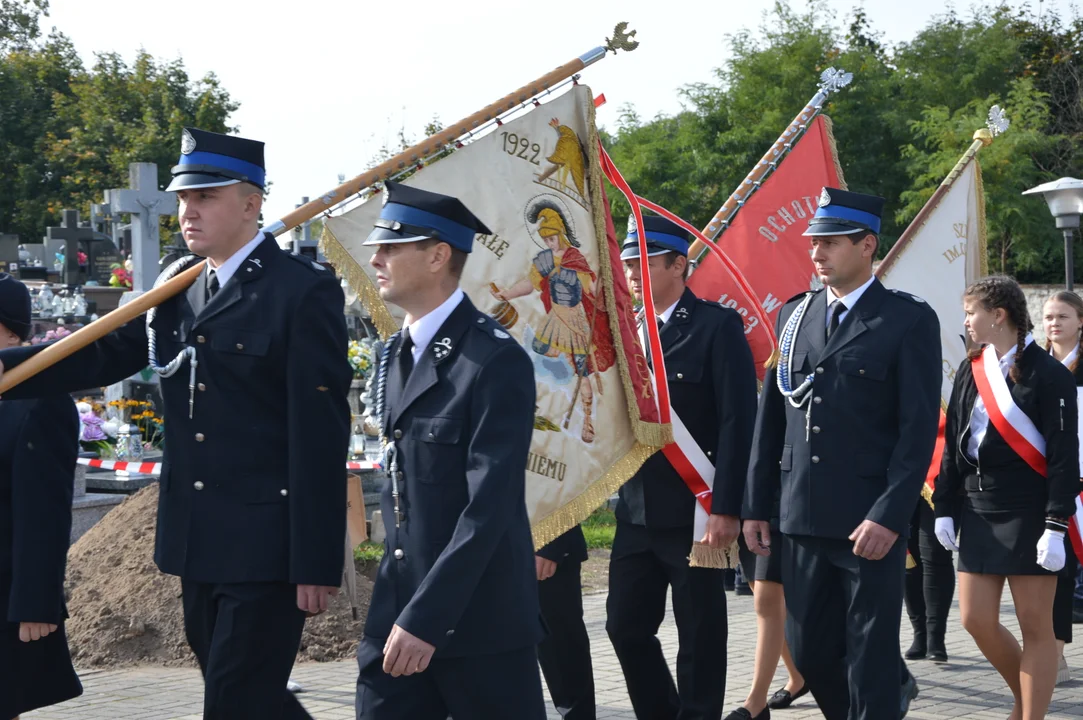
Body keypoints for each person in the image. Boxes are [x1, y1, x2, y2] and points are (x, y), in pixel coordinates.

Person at [0, 128, 352, 719]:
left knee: (236, 700)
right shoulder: (177, 285)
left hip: (268, 544)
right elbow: (101, 353)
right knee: (241, 694)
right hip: (197, 539)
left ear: (251, 203)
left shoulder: (300, 292)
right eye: (185, 198)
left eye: (207, 197)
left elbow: (319, 434)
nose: (188, 211)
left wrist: (316, 561)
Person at [744, 187, 940, 720]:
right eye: (813, 243)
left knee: (872, 654)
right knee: (810, 651)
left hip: (867, 525)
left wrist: (890, 514)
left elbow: (916, 431)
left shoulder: (906, 320)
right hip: (800, 517)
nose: (816, 253)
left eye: (829, 242)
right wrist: (757, 506)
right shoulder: (794, 316)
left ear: (867, 245)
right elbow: (771, 422)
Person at [354, 181, 546, 719]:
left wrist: (428, 618)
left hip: (478, 620)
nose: (376, 258)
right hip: (399, 603)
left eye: (391, 246)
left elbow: (487, 508)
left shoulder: (492, 360)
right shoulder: (394, 355)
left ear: (438, 256)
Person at [611, 214, 757, 720]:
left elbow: (740, 423)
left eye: (643, 261)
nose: (631, 271)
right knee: (624, 627)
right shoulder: (620, 332)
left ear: (680, 265)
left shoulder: (717, 326)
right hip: (635, 512)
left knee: (699, 633)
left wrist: (728, 507)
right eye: (627, 261)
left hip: (698, 510)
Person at [934, 276, 1078, 720]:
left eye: (971, 312)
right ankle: (1029, 697)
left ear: (998, 315)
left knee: (1036, 628)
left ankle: (1029, 713)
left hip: (1031, 510)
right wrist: (944, 507)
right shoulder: (970, 367)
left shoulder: (1048, 373)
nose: (966, 322)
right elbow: (954, 439)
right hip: (979, 506)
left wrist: (1056, 524)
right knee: (974, 618)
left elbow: (1063, 457)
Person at [0, 275, 83, 720]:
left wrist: (36, 603)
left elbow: (44, 514)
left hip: (6, 590)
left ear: (12, 333)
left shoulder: (39, 400)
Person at [1040, 290, 1083, 685]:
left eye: (1063, 316)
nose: (1054, 323)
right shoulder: (1031, 367)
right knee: (1059, 573)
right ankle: (1056, 656)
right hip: (1057, 484)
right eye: (1049, 316)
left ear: (1081, 321)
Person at [729, 532, 807, 719]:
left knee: (767, 601)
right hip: (747, 514)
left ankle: (756, 702)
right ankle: (797, 677)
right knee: (760, 592)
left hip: (778, 513)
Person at [536, 525, 596, 720]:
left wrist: (551, 542)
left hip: (543, 544)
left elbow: (565, 493)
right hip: (470, 546)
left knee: (561, 645)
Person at [903, 491, 956, 663]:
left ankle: (936, 638)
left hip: (938, 484)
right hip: (901, 480)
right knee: (909, 560)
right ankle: (920, 634)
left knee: (934, 556)